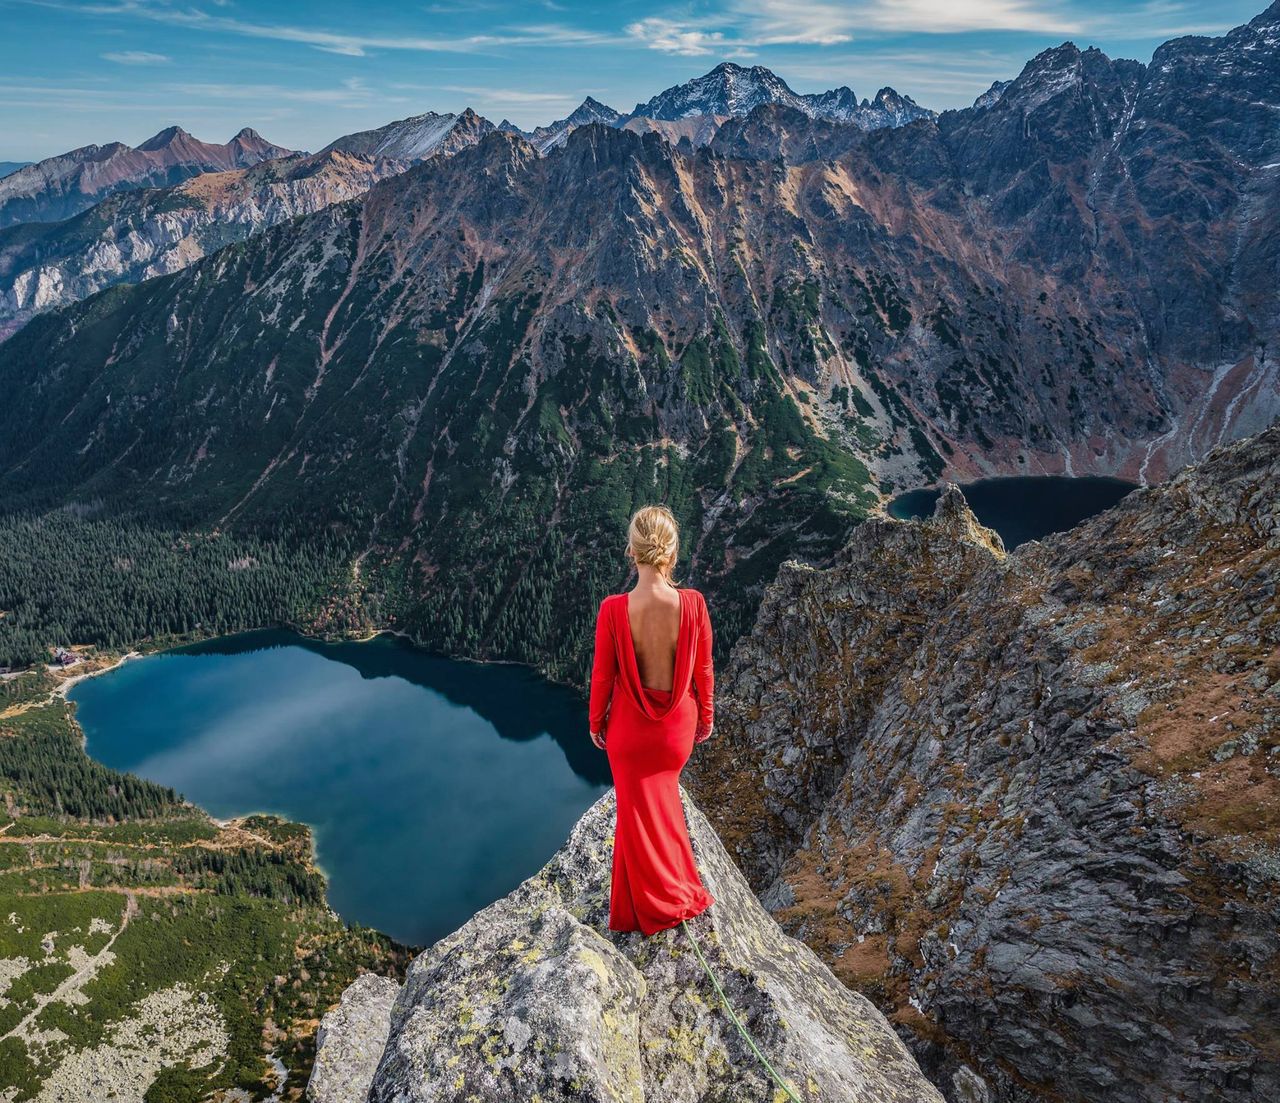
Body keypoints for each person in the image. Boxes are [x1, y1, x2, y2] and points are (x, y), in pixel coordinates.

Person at [587, 504, 715, 936]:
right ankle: (642, 900)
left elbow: (603, 674)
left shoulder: (614, 609)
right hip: (677, 730)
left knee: (634, 806)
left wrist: (595, 722)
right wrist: (707, 717)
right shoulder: (694, 604)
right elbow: (703, 672)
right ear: (671, 553)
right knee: (656, 799)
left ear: (632, 550)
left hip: (630, 733)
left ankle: (650, 905)